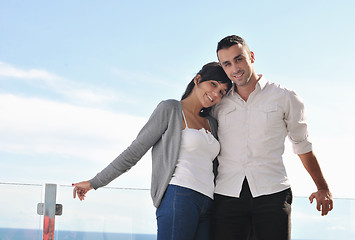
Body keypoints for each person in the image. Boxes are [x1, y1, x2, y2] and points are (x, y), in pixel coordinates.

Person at [72, 62, 232, 240]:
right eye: (213, 84)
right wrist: (95, 182)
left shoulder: (212, 122)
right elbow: (134, 151)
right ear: (198, 79)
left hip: (207, 202)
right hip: (179, 196)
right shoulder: (170, 109)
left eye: (222, 92)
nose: (215, 94)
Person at [210, 35, 334, 240]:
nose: (235, 68)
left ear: (251, 56)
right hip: (227, 195)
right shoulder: (219, 103)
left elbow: (302, 145)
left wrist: (322, 187)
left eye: (239, 59)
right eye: (227, 64)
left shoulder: (285, 97)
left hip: (273, 195)